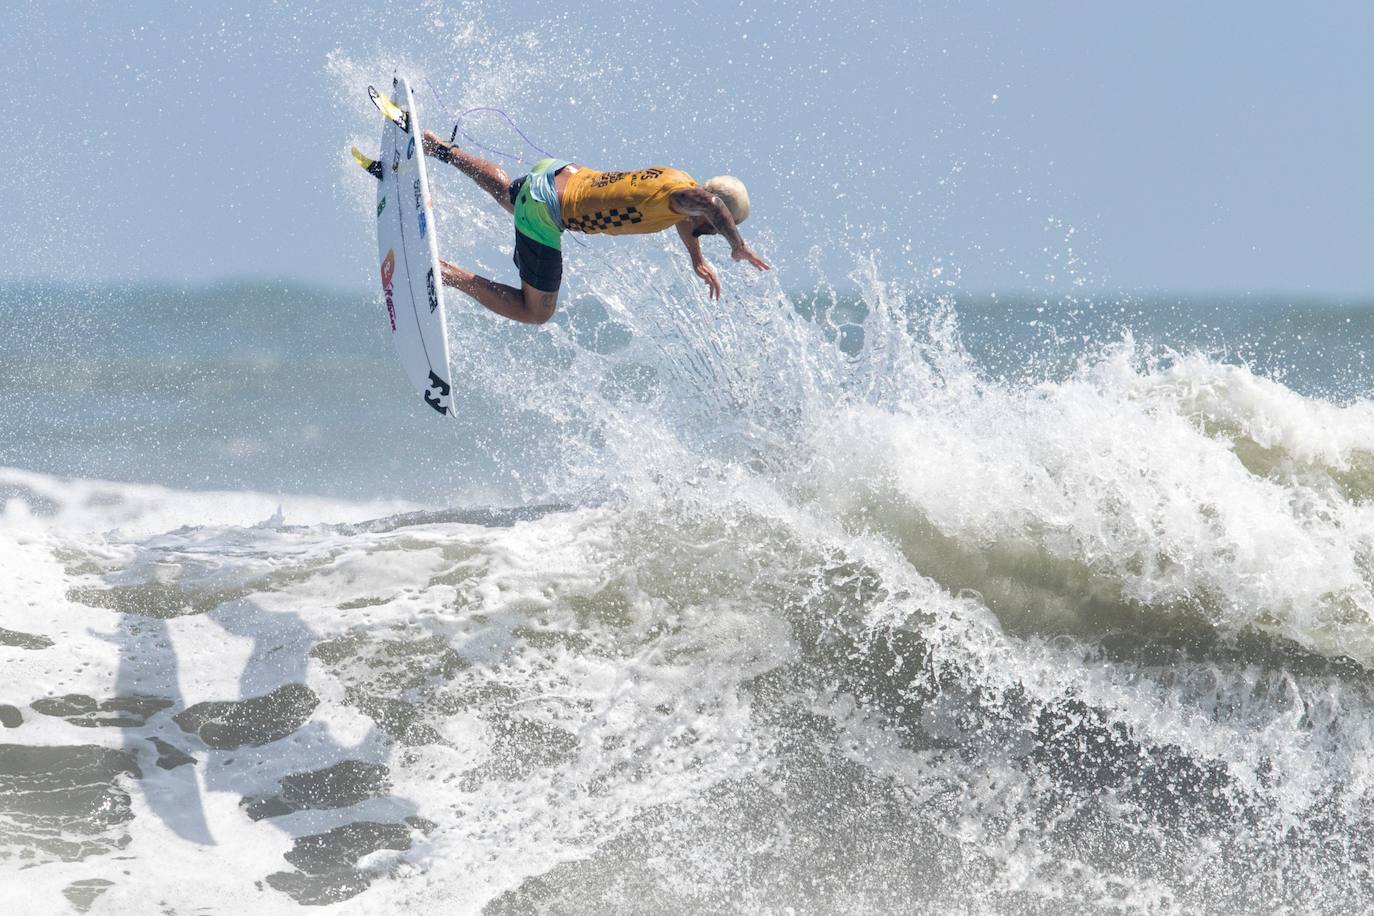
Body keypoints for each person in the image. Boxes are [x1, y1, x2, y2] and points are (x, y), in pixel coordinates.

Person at [422, 131, 770, 325]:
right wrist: (737, 245)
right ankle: (444, 273)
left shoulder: (678, 183)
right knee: (536, 312)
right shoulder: (693, 202)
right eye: (715, 229)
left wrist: (695, 258)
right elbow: (710, 206)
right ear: (711, 213)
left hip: (557, 173)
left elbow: (690, 215)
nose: (711, 234)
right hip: (547, 210)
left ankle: (440, 149)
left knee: (508, 193)